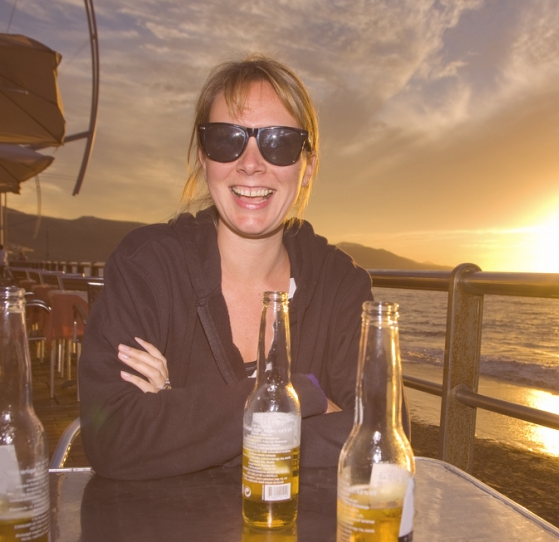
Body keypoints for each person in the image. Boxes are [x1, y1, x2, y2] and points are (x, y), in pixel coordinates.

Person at [79, 54, 373, 480]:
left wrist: (178, 422)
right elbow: (115, 436)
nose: (250, 163)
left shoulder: (341, 285)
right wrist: (302, 397)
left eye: (279, 142)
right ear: (203, 157)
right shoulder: (147, 268)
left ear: (307, 167)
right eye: (226, 139)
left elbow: (377, 440)